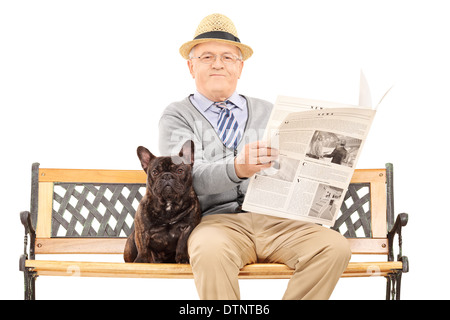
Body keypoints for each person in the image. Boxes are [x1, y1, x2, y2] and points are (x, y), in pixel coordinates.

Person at [158, 13, 351, 300]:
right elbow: (181, 181)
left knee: (333, 247)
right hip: (216, 223)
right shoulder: (177, 116)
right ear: (191, 66)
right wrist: (237, 168)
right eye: (207, 56)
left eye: (227, 57)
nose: (218, 64)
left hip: (277, 221)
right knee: (209, 251)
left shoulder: (269, 110)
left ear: (240, 67)